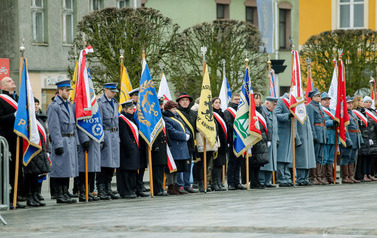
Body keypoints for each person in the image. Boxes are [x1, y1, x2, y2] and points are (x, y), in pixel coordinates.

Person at [47, 80, 78, 204]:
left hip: (70, 139)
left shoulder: (69, 105)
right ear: (59, 91)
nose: (68, 93)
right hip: (62, 140)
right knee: (60, 168)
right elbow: (54, 127)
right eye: (66, 90)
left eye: (69, 90)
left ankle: (65, 192)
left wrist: (77, 142)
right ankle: (59, 194)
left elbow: (74, 125)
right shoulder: (54, 106)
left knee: (68, 169)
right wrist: (58, 144)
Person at [23, 97, 51, 207]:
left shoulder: (40, 118)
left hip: (41, 150)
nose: (36, 106)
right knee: (30, 174)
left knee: (37, 175)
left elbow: (45, 135)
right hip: (32, 150)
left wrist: (47, 150)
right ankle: (30, 197)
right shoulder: (28, 118)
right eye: (33, 104)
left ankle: (35, 195)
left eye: (37, 104)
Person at [97, 83, 120, 200]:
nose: (114, 93)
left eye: (115, 91)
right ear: (105, 90)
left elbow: (117, 121)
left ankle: (108, 188)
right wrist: (100, 139)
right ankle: (101, 189)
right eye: (112, 91)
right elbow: (98, 123)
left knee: (112, 165)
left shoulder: (115, 103)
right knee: (103, 164)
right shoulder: (100, 103)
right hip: (105, 135)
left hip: (114, 136)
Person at [163, 100, 191, 195]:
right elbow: (171, 131)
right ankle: (171, 187)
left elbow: (185, 127)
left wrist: (187, 134)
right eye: (173, 108)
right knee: (172, 169)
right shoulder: (167, 119)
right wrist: (184, 136)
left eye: (175, 108)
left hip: (181, 146)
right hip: (174, 146)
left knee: (178, 168)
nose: (175, 110)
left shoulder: (177, 117)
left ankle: (176, 186)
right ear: (168, 109)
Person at [275, 93, 301, 187]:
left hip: (290, 134)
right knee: (281, 158)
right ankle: (281, 179)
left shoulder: (294, 103)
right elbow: (276, 114)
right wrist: (287, 115)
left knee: (288, 158)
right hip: (282, 133)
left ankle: (287, 177)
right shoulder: (281, 101)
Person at [117, 100, 140, 199]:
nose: (132, 111)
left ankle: (131, 189)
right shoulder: (122, 119)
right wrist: (130, 147)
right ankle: (125, 191)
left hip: (133, 148)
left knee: (132, 171)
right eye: (130, 109)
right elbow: (124, 135)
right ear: (125, 110)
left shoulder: (132, 119)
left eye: (133, 109)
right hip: (126, 150)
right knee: (126, 172)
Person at [176, 93, 198, 193]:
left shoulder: (193, 113)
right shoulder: (176, 113)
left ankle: (187, 184)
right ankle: (180, 185)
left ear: (189, 102)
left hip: (191, 143)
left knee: (188, 165)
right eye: (182, 100)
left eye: (186, 100)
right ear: (179, 102)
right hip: (180, 143)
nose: (185, 102)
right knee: (181, 166)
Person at [306, 88, 328, 185]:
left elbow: (323, 122)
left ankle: (319, 176)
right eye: (318, 96)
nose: (320, 97)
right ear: (313, 97)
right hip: (316, 133)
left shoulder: (319, 107)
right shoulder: (310, 107)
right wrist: (313, 135)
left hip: (322, 134)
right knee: (314, 156)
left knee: (320, 156)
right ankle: (313, 177)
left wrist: (325, 135)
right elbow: (311, 122)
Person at [224, 93, 245, 190]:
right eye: (236, 99)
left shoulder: (241, 110)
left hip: (240, 139)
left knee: (239, 162)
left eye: (239, 99)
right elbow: (228, 124)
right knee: (232, 162)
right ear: (231, 100)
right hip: (232, 139)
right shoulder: (228, 111)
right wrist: (238, 127)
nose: (237, 101)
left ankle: (237, 182)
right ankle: (231, 183)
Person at [249, 95, 270, 189]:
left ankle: (257, 181)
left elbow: (267, 125)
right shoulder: (250, 110)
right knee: (253, 162)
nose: (258, 100)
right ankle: (253, 182)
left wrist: (268, 139)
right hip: (254, 138)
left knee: (259, 162)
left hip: (262, 138)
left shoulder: (261, 110)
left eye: (259, 98)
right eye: (256, 98)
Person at [341, 96, 363, 184]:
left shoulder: (352, 113)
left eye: (351, 103)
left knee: (353, 158)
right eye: (348, 103)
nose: (350, 105)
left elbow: (357, 126)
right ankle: (345, 177)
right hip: (349, 137)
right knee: (346, 157)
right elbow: (344, 128)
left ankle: (351, 176)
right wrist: (347, 139)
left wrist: (359, 139)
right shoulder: (344, 113)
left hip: (355, 137)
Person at [151, 97, 169, 196]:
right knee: (156, 169)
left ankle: (160, 187)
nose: (161, 106)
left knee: (162, 167)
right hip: (156, 146)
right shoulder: (152, 116)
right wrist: (155, 145)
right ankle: (157, 188)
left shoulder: (161, 115)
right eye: (159, 104)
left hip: (163, 144)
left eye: (162, 104)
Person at [260, 97, 279, 188]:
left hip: (273, 140)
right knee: (265, 162)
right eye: (273, 104)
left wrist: (277, 139)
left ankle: (268, 181)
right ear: (267, 103)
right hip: (265, 140)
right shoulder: (263, 112)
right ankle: (262, 181)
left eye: (275, 104)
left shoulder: (273, 113)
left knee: (272, 162)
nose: (274, 106)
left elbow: (276, 128)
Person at [321, 92, 339, 184]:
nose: (327, 101)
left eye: (328, 99)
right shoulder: (321, 110)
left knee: (331, 157)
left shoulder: (332, 110)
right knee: (325, 157)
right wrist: (333, 122)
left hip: (334, 135)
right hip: (327, 134)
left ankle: (330, 176)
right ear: (321, 101)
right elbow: (323, 122)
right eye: (324, 100)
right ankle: (323, 176)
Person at [359, 96, 377, 182]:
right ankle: (365, 174)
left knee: (371, 156)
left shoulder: (373, 112)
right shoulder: (362, 112)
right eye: (366, 102)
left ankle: (370, 174)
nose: (368, 104)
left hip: (374, 136)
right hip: (367, 136)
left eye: (370, 102)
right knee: (366, 156)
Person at [211, 97, 227, 191]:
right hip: (215, 141)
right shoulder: (211, 114)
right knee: (216, 163)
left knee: (221, 163)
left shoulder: (221, 113)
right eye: (216, 102)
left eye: (219, 102)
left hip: (223, 141)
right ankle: (214, 182)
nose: (218, 104)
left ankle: (220, 181)